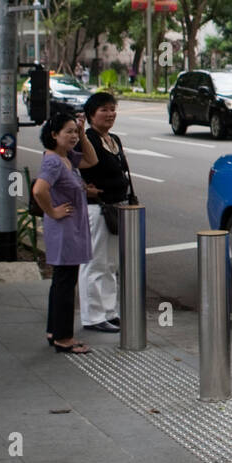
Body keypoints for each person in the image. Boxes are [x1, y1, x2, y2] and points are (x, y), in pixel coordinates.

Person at [34, 110, 98, 354]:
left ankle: (54, 331)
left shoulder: (66, 156)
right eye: (68, 132)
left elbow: (92, 160)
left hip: (71, 228)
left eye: (75, 130)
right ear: (53, 135)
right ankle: (64, 339)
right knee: (65, 283)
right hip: (64, 229)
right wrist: (52, 211)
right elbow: (39, 190)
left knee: (61, 281)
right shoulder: (52, 161)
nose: (73, 136)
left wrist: (83, 134)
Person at [79, 92, 133, 333]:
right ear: (91, 114)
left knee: (111, 264)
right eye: (104, 110)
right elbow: (68, 167)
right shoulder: (86, 138)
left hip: (116, 207)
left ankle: (109, 312)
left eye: (113, 109)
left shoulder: (114, 139)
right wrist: (82, 188)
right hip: (97, 210)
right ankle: (93, 316)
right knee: (95, 263)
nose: (110, 114)